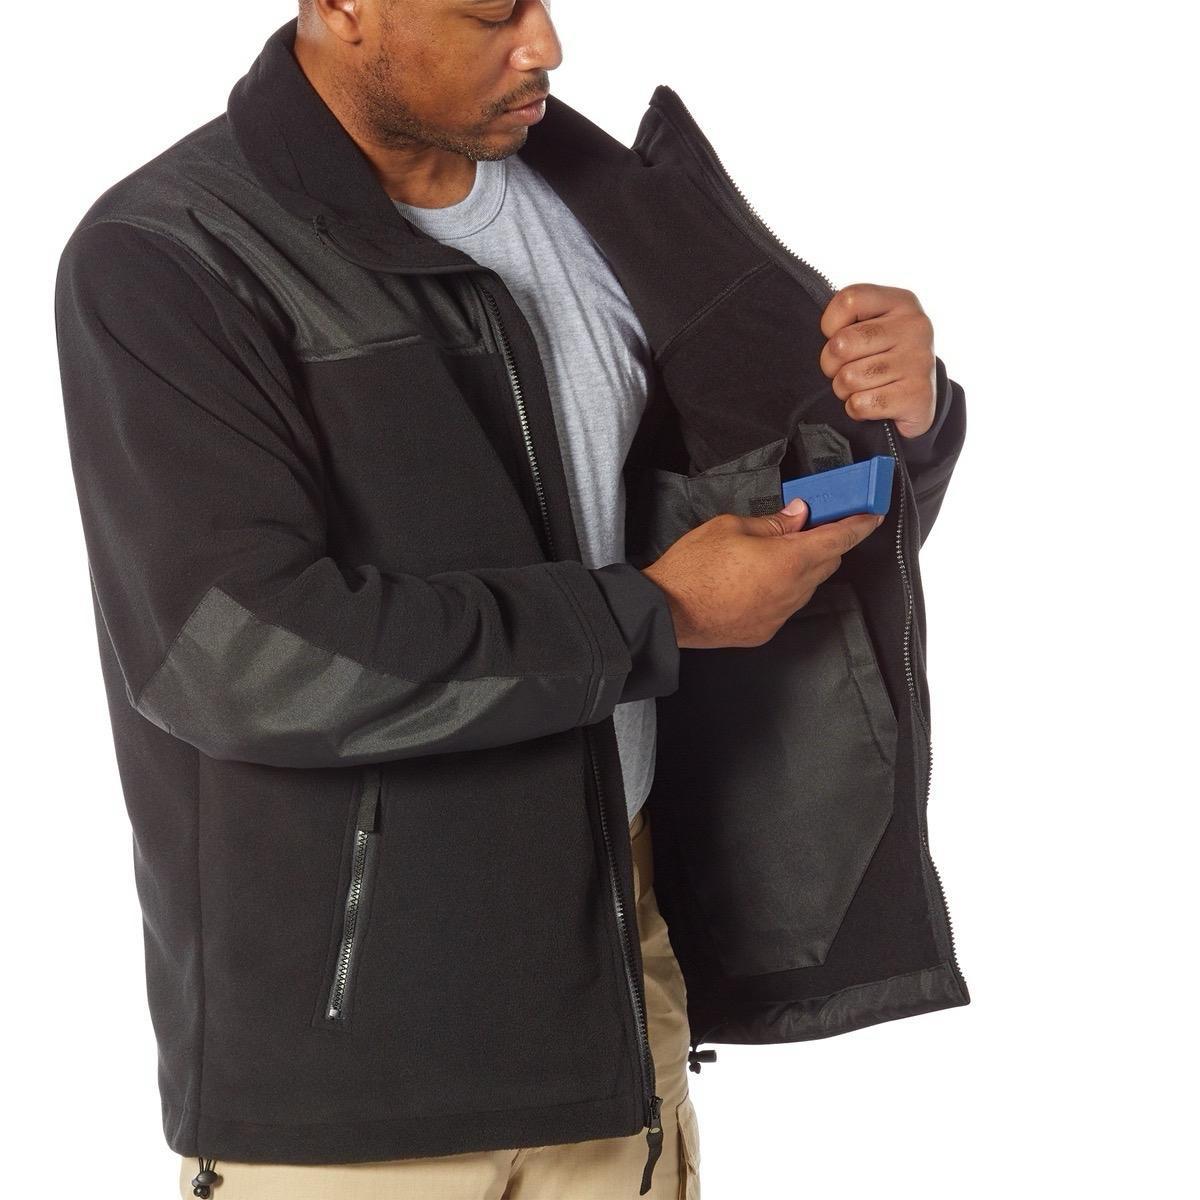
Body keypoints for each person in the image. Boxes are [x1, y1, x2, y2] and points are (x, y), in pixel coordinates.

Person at [55, 3, 967, 1197]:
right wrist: (653, 616)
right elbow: (236, 658)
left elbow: (758, 553)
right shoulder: (173, 254)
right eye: (492, 11)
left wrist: (899, 422)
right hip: (354, 1079)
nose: (545, 45)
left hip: (616, 997)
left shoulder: (610, 211)